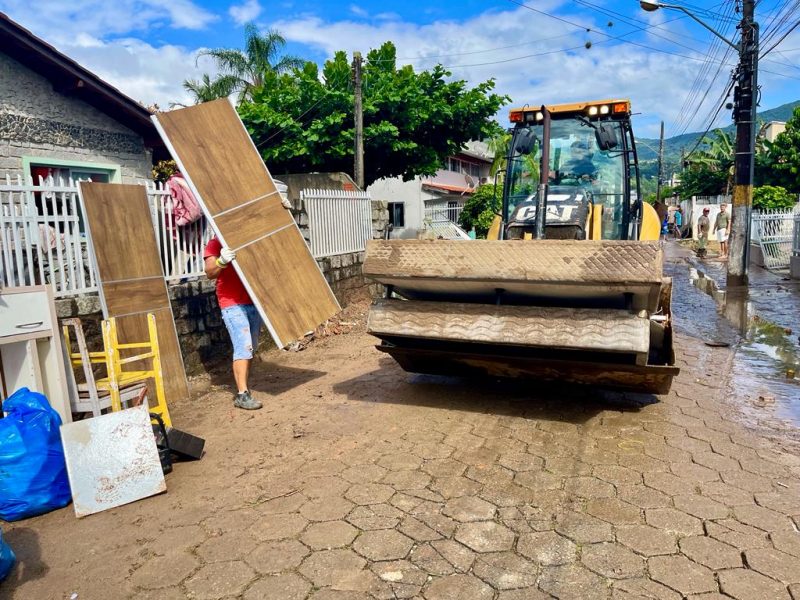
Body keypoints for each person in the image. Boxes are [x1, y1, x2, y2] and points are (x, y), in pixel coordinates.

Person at [203, 195, 292, 410]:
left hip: (253, 301)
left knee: (250, 348)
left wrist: (281, 211)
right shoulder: (215, 244)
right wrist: (222, 260)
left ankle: (244, 387)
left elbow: (275, 234)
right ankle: (242, 394)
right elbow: (209, 272)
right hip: (232, 303)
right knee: (243, 347)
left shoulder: (250, 239)